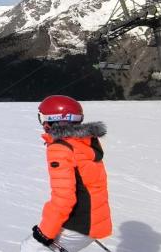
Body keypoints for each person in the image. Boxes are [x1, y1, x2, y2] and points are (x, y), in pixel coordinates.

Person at [22, 95, 112, 252]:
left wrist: (45, 232)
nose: (42, 122)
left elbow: (64, 198)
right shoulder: (84, 142)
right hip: (93, 221)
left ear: (53, 119)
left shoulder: (61, 148)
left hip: (78, 224)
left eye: (42, 117)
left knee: (31, 248)